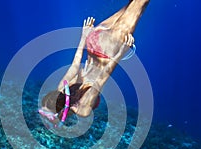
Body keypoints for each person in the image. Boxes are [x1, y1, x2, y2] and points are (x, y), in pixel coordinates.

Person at [39, 0, 149, 128]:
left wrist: (121, 53)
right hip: (92, 41)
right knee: (131, 4)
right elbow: (76, 63)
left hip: (109, 48)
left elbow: (103, 77)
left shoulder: (83, 110)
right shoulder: (62, 88)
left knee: (140, 3)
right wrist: (84, 36)